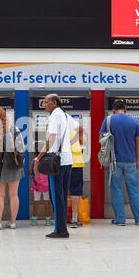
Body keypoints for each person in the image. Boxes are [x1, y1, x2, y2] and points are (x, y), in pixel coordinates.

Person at [34, 94, 82, 238]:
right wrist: (68, 144)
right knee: (62, 195)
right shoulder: (66, 116)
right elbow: (80, 129)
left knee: (57, 196)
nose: (44, 105)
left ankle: (61, 230)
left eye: (46, 102)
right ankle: (61, 228)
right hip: (67, 160)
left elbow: (51, 139)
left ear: (54, 103)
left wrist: (38, 158)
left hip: (57, 163)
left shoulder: (55, 116)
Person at [99, 100, 139, 226]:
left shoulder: (108, 120)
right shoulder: (134, 122)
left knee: (116, 190)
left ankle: (120, 219)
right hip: (130, 161)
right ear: (125, 110)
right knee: (133, 190)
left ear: (113, 110)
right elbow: (138, 142)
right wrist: (136, 159)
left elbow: (102, 140)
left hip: (114, 161)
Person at [0, 107, 24, 230]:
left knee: (0, 195)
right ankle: (12, 222)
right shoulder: (14, 129)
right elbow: (22, 147)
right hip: (14, 165)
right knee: (14, 195)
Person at [69, 127, 87, 228]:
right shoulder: (76, 130)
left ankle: (61, 218)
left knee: (62, 191)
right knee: (75, 191)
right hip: (77, 164)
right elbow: (83, 143)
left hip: (65, 163)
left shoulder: (59, 129)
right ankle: (74, 219)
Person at [30, 149, 52, 226]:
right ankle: (48, 220)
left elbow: (30, 172)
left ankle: (34, 219)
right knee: (47, 201)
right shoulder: (47, 160)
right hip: (46, 185)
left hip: (36, 184)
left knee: (36, 201)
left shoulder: (33, 161)